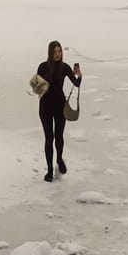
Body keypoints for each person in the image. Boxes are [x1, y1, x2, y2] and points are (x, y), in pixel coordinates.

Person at [34, 41, 81, 182]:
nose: (57, 54)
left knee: (59, 136)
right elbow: (37, 89)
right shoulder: (43, 67)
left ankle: (59, 159)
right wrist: (41, 85)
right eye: (55, 52)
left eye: (59, 51)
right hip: (45, 107)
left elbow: (76, 84)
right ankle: (49, 171)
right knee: (49, 138)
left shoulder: (64, 67)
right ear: (50, 53)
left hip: (60, 106)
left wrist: (79, 75)